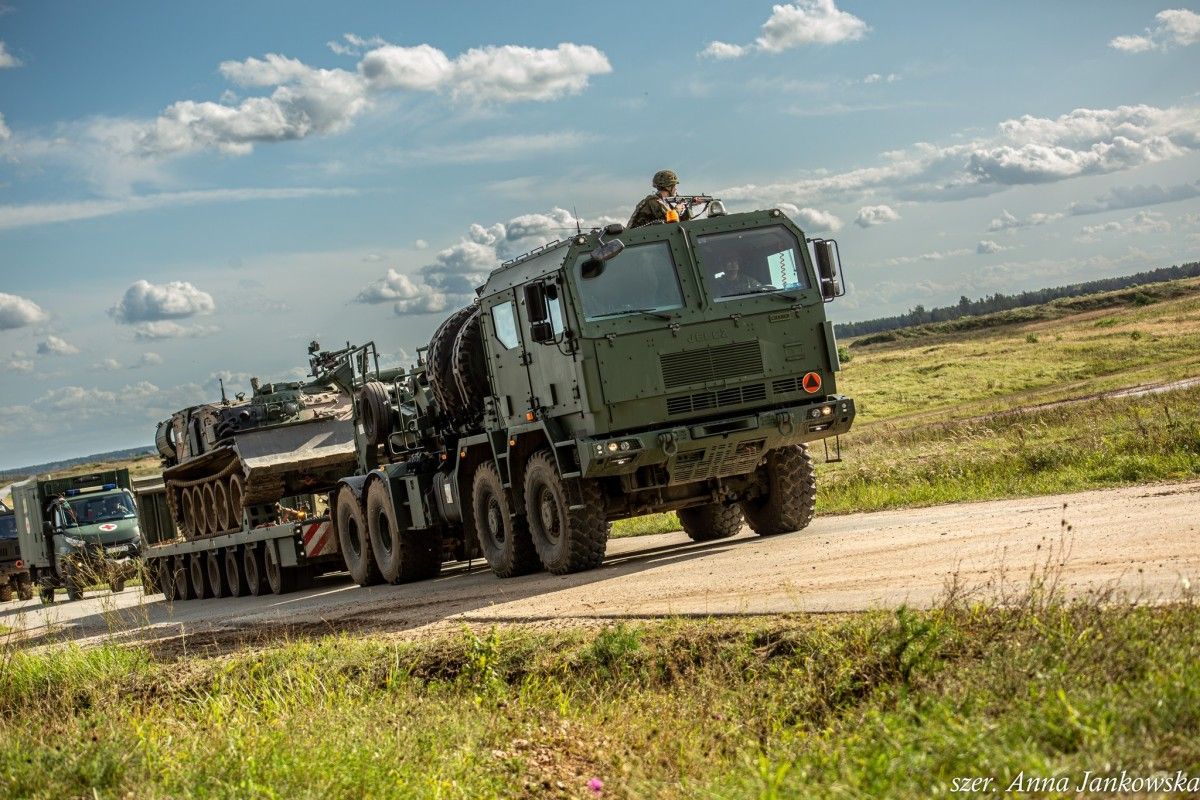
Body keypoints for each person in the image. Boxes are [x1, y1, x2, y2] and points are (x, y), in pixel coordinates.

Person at [627, 170, 698, 228]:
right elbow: (672, 224)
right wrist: (677, 210)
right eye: (674, 186)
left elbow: (682, 223)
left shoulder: (661, 202)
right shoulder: (654, 201)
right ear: (668, 187)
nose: (676, 188)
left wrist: (687, 206)